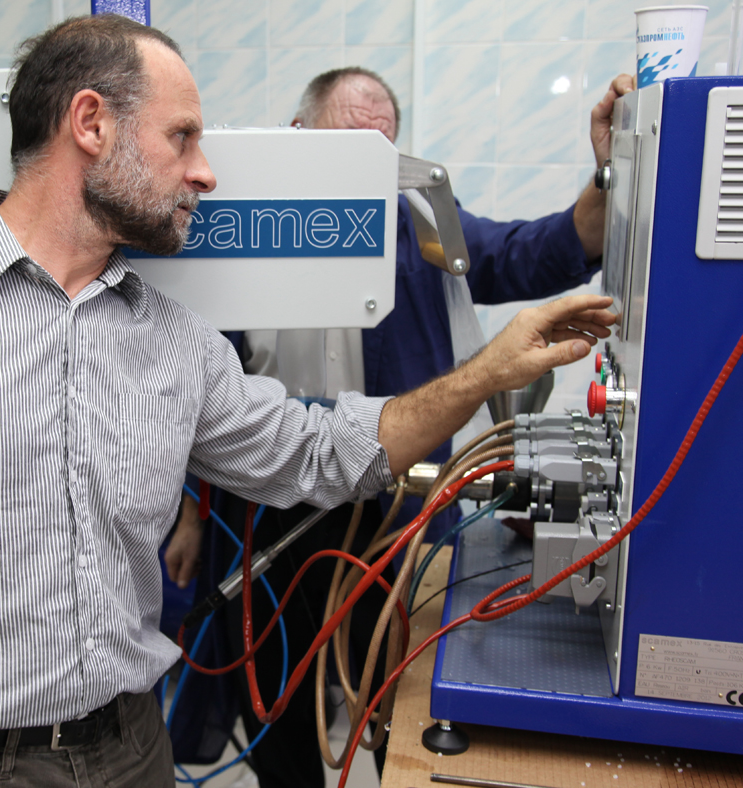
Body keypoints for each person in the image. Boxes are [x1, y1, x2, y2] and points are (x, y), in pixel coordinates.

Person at [0, 16, 615, 788]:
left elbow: (320, 452)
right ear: (90, 124)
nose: (206, 173)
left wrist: (485, 373)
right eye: (184, 137)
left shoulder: (173, 338)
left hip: (129, 753)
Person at [163, 67, 633, 788]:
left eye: (379, 155)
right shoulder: (234, 228)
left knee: (387, 691)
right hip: (258, 503)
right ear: (295, 138)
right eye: (346, 148)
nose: (363, 174)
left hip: (385, 503)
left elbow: (527, 250)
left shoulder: (418, 227)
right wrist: (194, 517)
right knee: (271, 700)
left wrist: (606, 174)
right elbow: (200, 394)